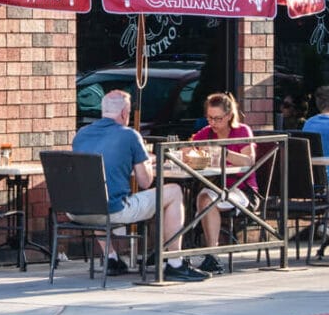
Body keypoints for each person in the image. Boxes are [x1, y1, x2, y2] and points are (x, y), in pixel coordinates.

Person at [71, 89, 209, 282]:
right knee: (174, 191)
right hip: (112, 210)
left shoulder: (81, 135)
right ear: (124, 114)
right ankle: (175, 263)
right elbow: (146, 182)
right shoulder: (130, 135)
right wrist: (144, 161)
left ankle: (111, 258)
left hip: (76, 209)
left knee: (97, 191)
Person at [188, 92, 257, 275]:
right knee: (188, 197)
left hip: (242, 189)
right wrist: (189, 153)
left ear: (228, 116)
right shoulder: (206, 132)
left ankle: (213, 255)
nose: (213, 123)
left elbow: (249, 161)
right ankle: (177, 255)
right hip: (214, 186)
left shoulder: (241, 131)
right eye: (209, 118)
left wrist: (223, 153)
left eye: (218, 118)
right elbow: (188, 149)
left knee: (205, 199)